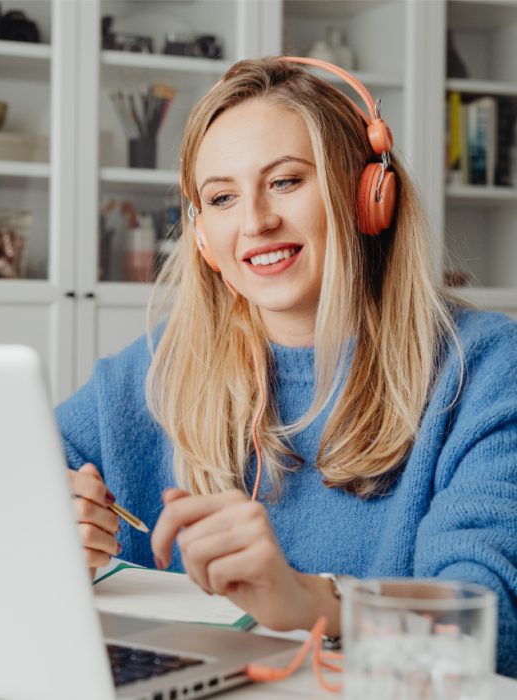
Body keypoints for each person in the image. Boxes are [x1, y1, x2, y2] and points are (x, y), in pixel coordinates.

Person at [57, 57, 517, 677]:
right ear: (201, 235)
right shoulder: (160, 366)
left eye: (285, 182)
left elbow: (486, 624)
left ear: (368, 196)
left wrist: (311, 601)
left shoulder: (485, 368)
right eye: (222, 197)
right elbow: (8, 469)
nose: (254, 221)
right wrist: (47, 527)